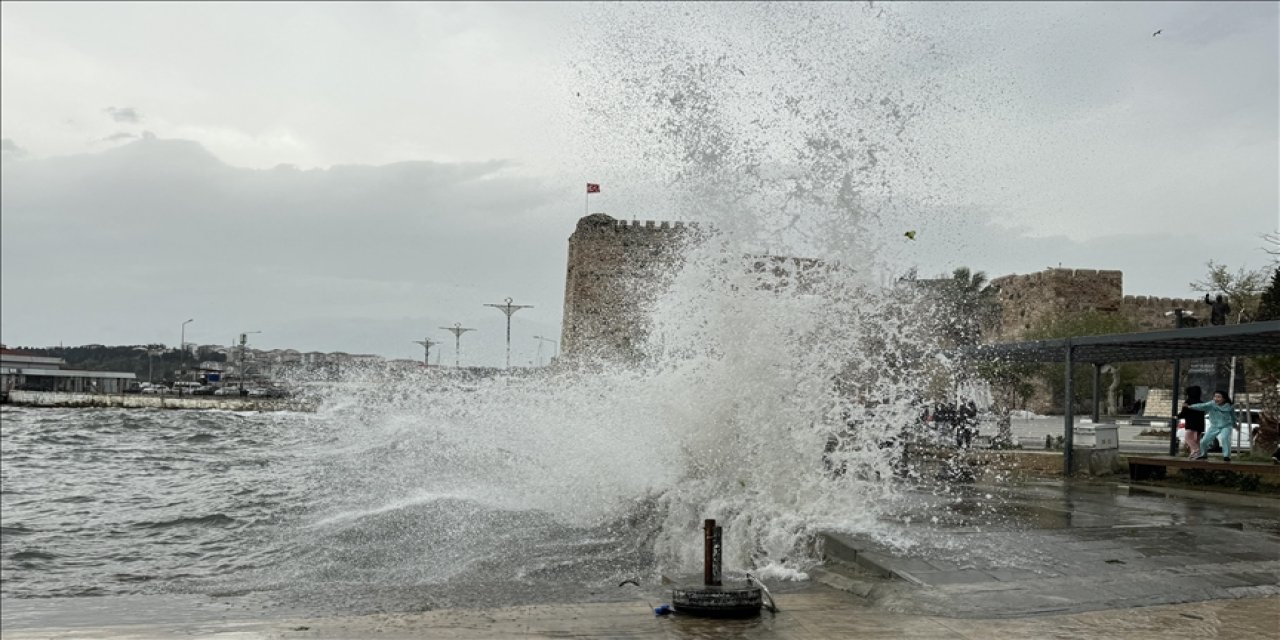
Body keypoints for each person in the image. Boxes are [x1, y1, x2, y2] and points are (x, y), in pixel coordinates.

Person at [1186, 390, 1236, 462]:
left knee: (1225, 438)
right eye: (1215, 397)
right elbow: (1201, 406)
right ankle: (1203, 455)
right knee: (1203, 441)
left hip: (1226, 426)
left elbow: (1233, 416)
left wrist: (1235, 425)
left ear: (1224, 399)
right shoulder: (1211, 404)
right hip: (1214, 426)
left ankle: (1226, 456)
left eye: (1219, 397)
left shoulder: (1229, 407)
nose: (1216, 399)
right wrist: (1190, 406)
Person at [1175, 386, 1206, 459]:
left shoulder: (1188, 402)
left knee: (1188, 438)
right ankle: (1195, 455)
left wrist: (1176, 416)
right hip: (1200, 425)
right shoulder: (1201, 403)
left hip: (1191, 424)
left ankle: (1196, 451)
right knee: (1196, 440)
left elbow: (1183, 413)